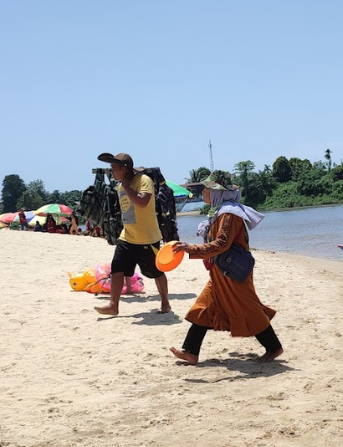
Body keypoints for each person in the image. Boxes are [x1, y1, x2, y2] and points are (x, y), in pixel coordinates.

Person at [169, 171, 283, 365]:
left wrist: (192, 248)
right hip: (220, 271)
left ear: (217, 192)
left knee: (249, 308)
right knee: (203, 307)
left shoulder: (230, 213)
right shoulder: (220, 211)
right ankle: (190, 351)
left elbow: (222, 243)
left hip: (233, 273)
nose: (204, 192)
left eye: (207, 189)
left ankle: (274, 348)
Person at [93, 152, 171, 315]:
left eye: (114, 168)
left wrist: (127, 185)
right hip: (127, 236)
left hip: (147, 238)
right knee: (117, 268)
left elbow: (142, 202)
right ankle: (113, 305)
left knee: (156, 271)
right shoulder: (121, 186)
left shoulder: (143, 181)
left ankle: (165, 303)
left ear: (125, 169)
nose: (112, 172)